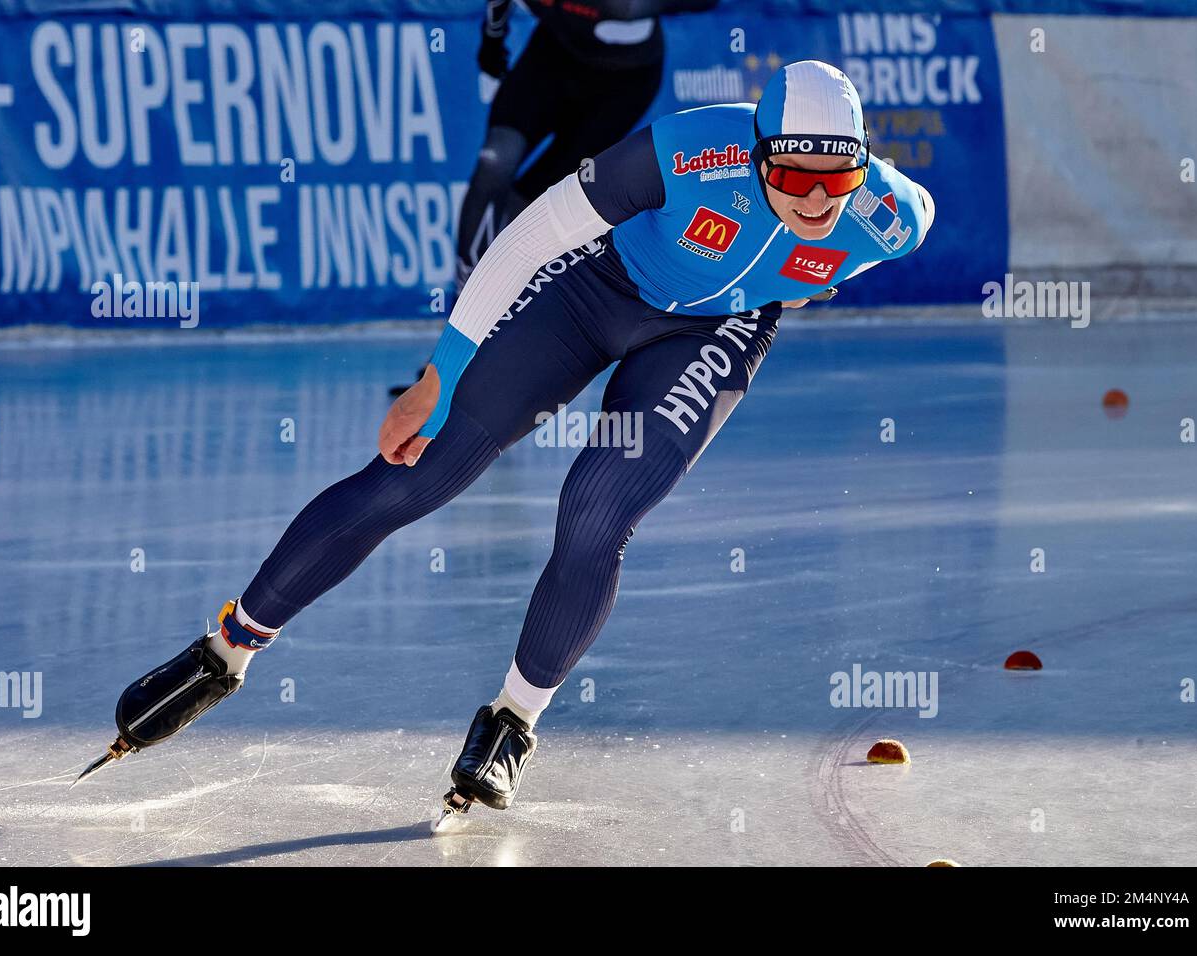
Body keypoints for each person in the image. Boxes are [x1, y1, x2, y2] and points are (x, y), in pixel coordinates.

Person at [93, 61, 935, 820]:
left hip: (714, 332)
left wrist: (790, 284)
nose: (817, 199)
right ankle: (227, 647)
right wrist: (440, 372)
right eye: (792, 174)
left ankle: (512, 721)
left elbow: (896, 216)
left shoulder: (890, 216)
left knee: (597, 513)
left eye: (838, 177)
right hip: (600, 289)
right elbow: (536, 231)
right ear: (755, 152)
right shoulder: (686, 151)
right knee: (415, 474)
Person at [455, 0, 720, 291]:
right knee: (495, 160)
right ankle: (465, 288)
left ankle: (498, 291)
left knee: (542, 194)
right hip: (553, 57)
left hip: (622, 87)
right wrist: (493, 38)